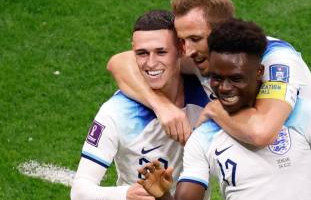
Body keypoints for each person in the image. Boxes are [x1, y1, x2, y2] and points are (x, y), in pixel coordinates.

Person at [107, 0, 311, 199]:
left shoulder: (276, 61)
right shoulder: (203, 55)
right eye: (181, 41)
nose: (187, 51)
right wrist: (162, 105)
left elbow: (262, 131)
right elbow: (120, 62)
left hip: (309, 188)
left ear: (223, 31)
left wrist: (215, 110)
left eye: (195, 38)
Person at [137, 18, 311, 200]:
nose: (225, 88)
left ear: (259, 73)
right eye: (217, 78)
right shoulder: (203, 137)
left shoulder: (309, 117)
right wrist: (162, 195)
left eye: (236, 78)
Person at [70, 10, 209, 200]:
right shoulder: (116, 113)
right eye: (142, 53)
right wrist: (126, 194)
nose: (151, 63)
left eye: (161, 52)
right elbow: (79, 191)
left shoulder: (208, 90)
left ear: (181, 49)